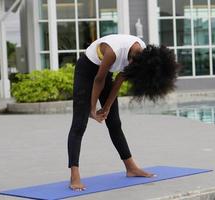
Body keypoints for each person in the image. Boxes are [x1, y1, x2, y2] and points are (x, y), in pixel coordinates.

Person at [67, 34, 180, 191]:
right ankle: (74, 175)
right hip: (86, 70)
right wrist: (92, 109)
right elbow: (98, 80)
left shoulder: (142, 54)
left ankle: (131, 168)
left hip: (104, 74)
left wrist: (106, 108)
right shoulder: (114, 51)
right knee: (79, 124)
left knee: (114, 123)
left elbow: (118, 81)